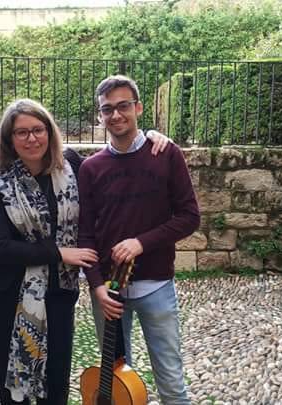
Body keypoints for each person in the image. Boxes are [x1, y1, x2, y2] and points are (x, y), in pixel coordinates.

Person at [0, 98, 170, 404]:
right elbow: (0, 247)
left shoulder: (71, 164)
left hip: (59, 290)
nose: (32, 138)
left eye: (38, 129)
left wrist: (149, 138)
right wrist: (60, 253)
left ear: (50, 131)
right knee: (14, 375)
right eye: (21, 132)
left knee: (56, 374)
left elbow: (117, 168)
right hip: (7, 292)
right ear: (9, 139)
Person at [78, 75, 201, 404]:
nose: (116, 115)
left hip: (157, 287)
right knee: (115, 381)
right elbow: (85, 232)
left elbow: (190, 217)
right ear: (99, 116)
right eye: (107, 110)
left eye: (123, 106)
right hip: (108, 292)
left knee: (171, 383)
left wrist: (141, 242)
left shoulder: (165, 153)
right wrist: (96, 286)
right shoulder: (90, 168)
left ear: (138, 108)